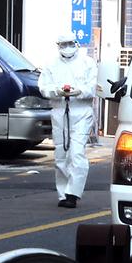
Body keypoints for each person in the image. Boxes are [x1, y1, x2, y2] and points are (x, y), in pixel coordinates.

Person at [38, 32, 98, 208]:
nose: (67, 47)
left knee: (76, 153)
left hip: (81, 112)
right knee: (61, 154)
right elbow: (43, 87)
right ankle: (63, 194)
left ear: (76, 43)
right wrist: (57, 91)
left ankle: (73, 193)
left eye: (69, 43)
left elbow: (91, 87)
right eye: (63, 44)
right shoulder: (51, 65)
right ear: (58, 46)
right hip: (59, 111)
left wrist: (78, 91)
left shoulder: (88, 63)